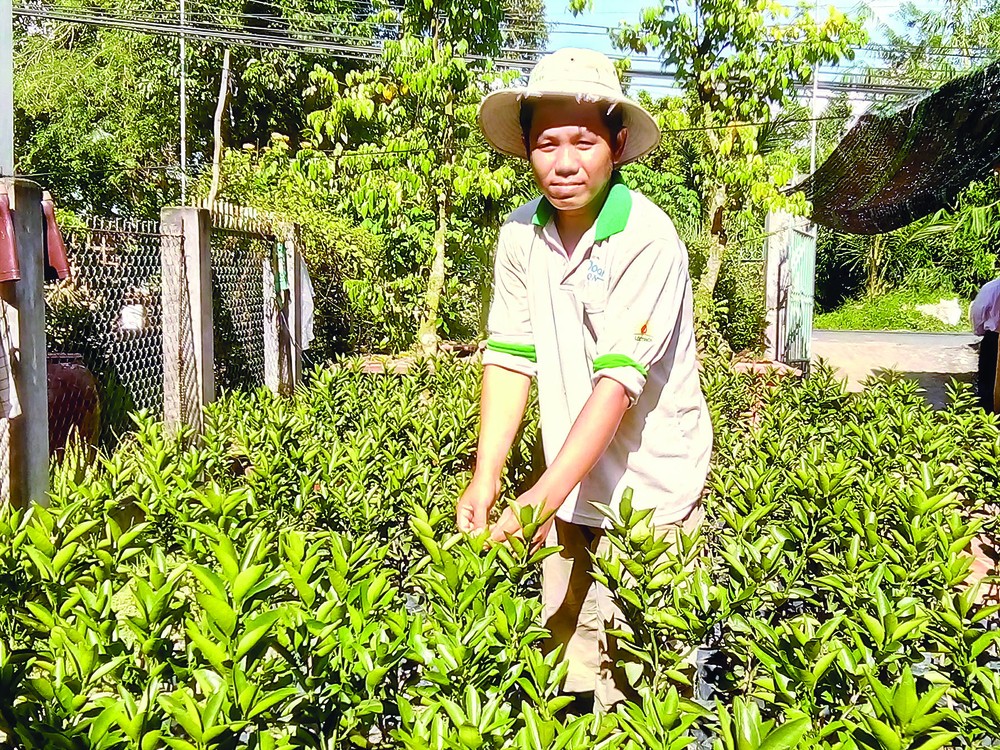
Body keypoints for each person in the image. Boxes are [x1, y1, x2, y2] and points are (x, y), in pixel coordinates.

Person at [456, 48, 713, 712]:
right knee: (567, 664)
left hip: (649, 494)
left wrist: (537, 497)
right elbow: (511, 358)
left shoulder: (647, 241)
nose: (563, 163)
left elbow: (615, 388)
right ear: (526, 149)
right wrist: (489, 473)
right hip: (569, 487)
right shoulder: (520, 235)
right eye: (546, 143)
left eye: (582, 142)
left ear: (617, 144)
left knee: (646, 679)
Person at [971, 276, 1000, 413]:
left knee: (988, 379)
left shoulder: (991, 288)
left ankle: (987, 416)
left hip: (994, 337)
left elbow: (978, 312)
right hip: (993, 337)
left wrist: (980, 331)